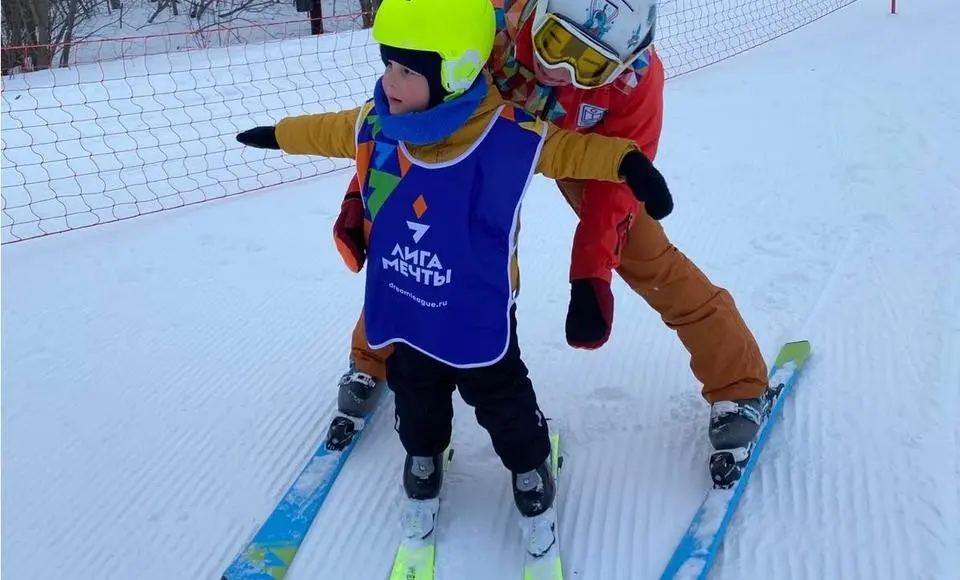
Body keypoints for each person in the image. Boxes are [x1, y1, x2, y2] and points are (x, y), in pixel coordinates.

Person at [234, 0, 674, 542]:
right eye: (387, 65)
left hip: (477, 309)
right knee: (416, 397)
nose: (388, 81)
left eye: (405, 71)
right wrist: (277, 133)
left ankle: (529, 463)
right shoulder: (379, 122)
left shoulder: (510, 133)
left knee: (501, 398)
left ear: (454, 73)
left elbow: (572, 152)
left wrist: (628, 162)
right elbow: (328, 131)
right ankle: (423, 456)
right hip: (410, 304)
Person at [332, 0, 772, 481]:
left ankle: (739, 383)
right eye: (555, 43)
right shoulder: (488, 24)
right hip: (483, 134)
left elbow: (615, 188)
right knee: (423, 243)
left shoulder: (636, 82)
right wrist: (362, 194)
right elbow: (402, 119)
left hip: (583, 153)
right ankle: (375, 352)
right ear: (536, 14)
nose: (560, 69)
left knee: (648, 258)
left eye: (589, 64)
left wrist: (591, 273)